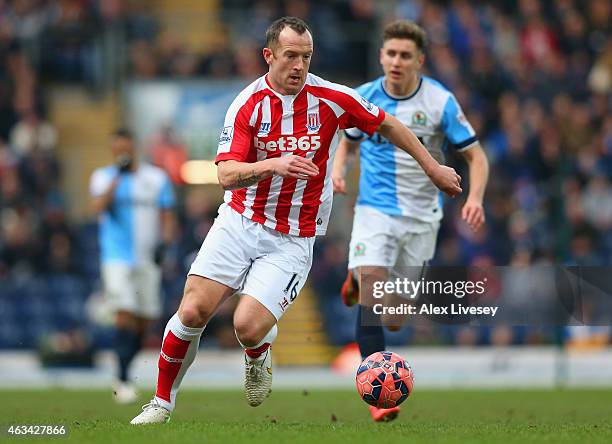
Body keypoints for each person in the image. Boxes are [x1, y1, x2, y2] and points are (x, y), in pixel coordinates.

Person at [130, 16, 461, 425]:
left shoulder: (332, 98)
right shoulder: (247, 104)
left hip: (292, 237)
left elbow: (389, 123)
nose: (299, 66)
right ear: (269, 56)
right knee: (193, 311)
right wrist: (274, 164)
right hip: (239, 220)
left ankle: (258, 354)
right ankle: (161, 404)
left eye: (306, 57)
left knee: (247, 327)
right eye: (290, 56)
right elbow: (226, 174)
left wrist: (431, 168)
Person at [331, 20, 489, 422]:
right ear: (381, 56)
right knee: (370, 294)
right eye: (390, 54)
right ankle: (379, 400)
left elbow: (476, 155)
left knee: (396, 318)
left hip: (422, 220)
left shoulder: (439, 101)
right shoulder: (364, 97)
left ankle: (357, 277)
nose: (397, 62)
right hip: (374, 212)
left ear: (419, 59)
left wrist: (475, 197)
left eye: (405, 55)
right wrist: (338, 171)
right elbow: (346, 144)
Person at [89, 128, 176, 404]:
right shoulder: (103, 178)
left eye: (126, 149)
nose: (123, 154)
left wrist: (166, 242)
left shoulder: (156, 178)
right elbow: (97, 208)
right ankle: (122, 379)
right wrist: (118, 177)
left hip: (148, 258)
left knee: (145, 319)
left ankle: (124, 372)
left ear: (134, 147)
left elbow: (167, 213)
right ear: (113, 151)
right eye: (118, 150)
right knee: (124, 312)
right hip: (116, 258)